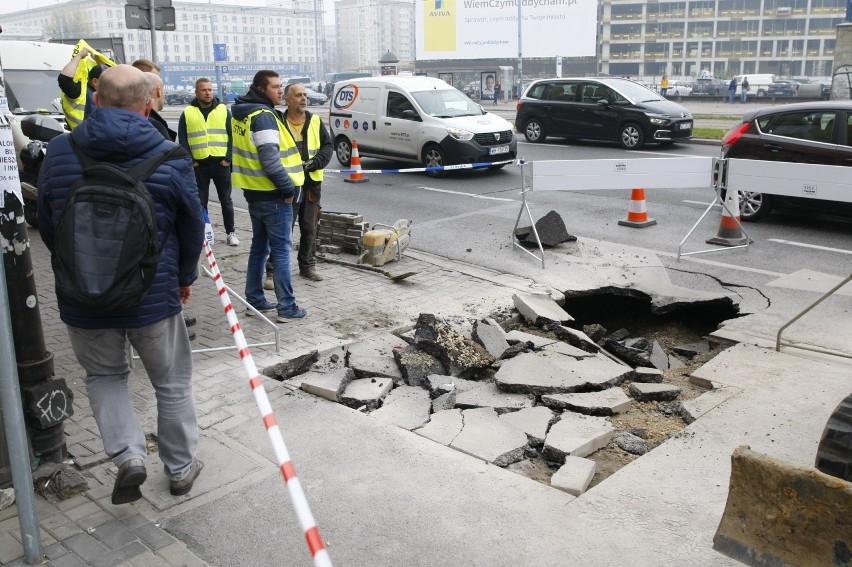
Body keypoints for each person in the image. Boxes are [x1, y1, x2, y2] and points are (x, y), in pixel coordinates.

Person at [38, 65, 205, 504]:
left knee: (105, 376)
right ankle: (181, 468)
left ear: (96, 99)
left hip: (82, 297)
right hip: (153, 295)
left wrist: (80, 272)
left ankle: (129, 456)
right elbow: (192, 229)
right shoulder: (172, 155)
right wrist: (185, 278)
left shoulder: (59, 150)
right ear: (148, 102)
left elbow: (49, 225)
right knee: (171, 382)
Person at [231, 70, 307, 322]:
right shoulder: (263, 116)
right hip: (274, 196)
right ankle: (287, 307)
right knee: (281, 251)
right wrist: (287, 189)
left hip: (254, 192)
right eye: (275, 87)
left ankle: (255, 299)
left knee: (259, 247)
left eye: (280, 86)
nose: (279, 91)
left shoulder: (241, 112)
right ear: (261, 89)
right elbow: (271, 161)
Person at [281, 83, 332, 282]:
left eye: (305, 95)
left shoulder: (315, 121)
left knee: (309, 227)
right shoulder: (278, 122)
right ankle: (273, 269)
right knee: (283, 229)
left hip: (311, 184)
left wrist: (315, 162)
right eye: (298, 95)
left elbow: (328, 147)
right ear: (287, 100)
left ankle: (307, 266)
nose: (303, 98)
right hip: (287, 184)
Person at [179, 78, 239, 247]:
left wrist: (228, 158)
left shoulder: (223, 110)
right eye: (203, 90)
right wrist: (191, 161)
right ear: (196, 92)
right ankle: (204, 233)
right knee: (200, 201)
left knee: (226, 200)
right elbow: (183, 139)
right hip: (200, 165)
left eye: (210, 90)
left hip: (221, 164)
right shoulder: (188, 112)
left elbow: (232, 136)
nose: (207, 93)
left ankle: (231, 232)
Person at [58, 47, 109, 130]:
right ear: (95, 82)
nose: (111, 84)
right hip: (85, 139)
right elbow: (64, 80)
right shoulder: (80, 92)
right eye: (107, 80)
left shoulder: (110, 96)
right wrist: (79, 56)